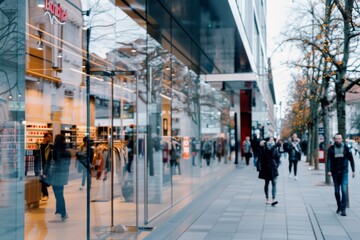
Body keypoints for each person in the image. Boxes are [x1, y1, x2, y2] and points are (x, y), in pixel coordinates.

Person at [43, 134, 71, 221]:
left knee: (58, 195)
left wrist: (45, 173)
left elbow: (48, 163)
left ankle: (61, 213)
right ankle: (61, 213)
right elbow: (68, 165)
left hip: (55, 175)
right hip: (63, 175)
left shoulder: (53, 151)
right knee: (60, 194)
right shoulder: (67, 152)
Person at [327, 133, 355, 216]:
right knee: (336, 191)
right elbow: (329, 160)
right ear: (334, 139)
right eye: (336, 139)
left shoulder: (346, 148)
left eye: (339, 139)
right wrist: (329, 170)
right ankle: (339, 206)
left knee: (343, 189)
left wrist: (353, 170)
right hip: (335, 172)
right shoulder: (331, 148)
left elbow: (351, 159)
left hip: (344, 172)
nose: (337, 140)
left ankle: (343, 209)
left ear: (342, 139)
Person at [258, 137, 280, 206]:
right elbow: (261, 157)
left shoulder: (275, 148)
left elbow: (277, 158)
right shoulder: (264, 148)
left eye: (272, 139)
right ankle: (267, 198)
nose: (271, 140)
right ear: (267, 141)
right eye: (270, 139)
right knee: (266, 183)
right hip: (266, 168)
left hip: (273, 168)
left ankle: (273, 199)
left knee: (274, 183)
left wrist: (276, 165)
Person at [39, 132, 53, 201]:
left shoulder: (50, 146)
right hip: (40, 164)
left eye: (50, 137)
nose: (50, 139)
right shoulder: (39, 145)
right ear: (45, 137)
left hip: (47, 165)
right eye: (49, 137)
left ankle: (45, 194)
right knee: (41, 179)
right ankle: (43, 194)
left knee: (43, 179)